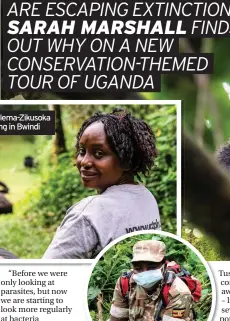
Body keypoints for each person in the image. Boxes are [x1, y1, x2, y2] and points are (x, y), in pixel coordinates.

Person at [43, 109, 162, 259]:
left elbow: (47, 273)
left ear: (126, 160)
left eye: (99, 153)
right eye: (82, 151)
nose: (84, 162)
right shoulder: (147, 197)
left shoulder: (87, 214)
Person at [101, 239, 195, 321]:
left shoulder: (178, 291)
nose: (144, 273)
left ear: (164, 265)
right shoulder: (125, 282)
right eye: (138, 268)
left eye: (152, 267)